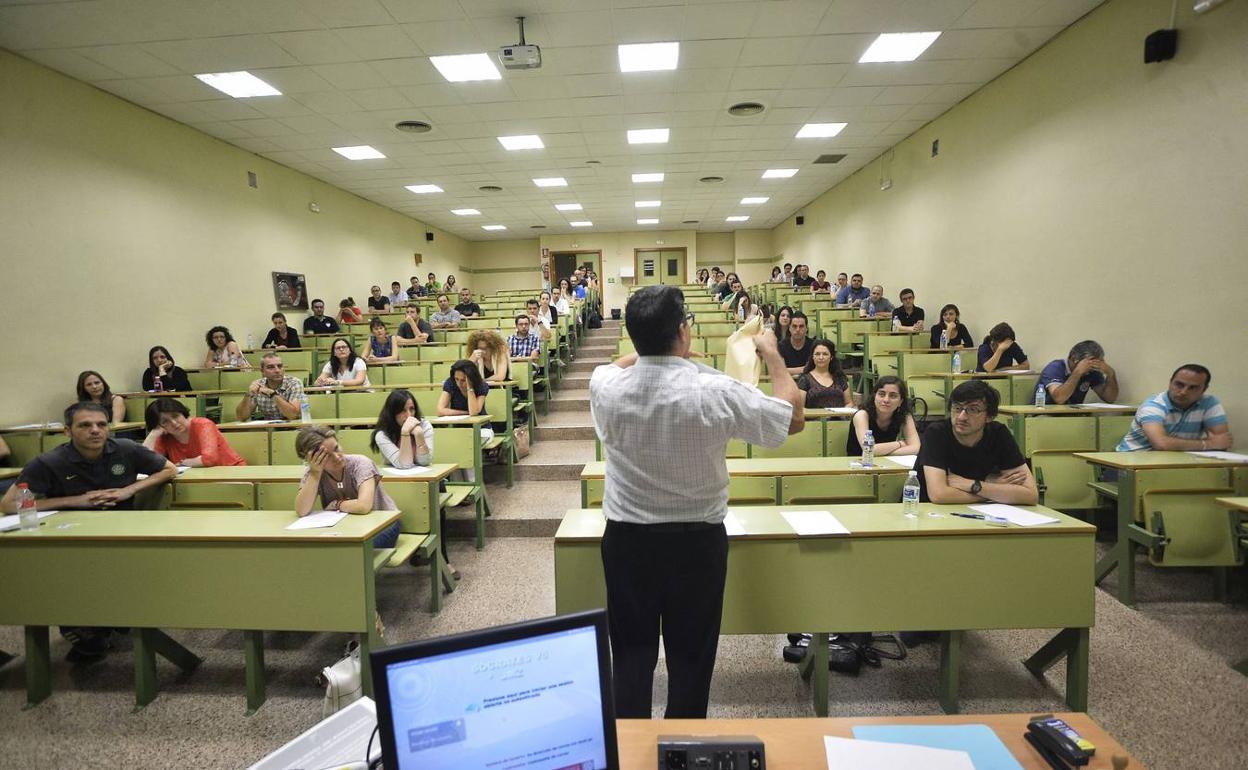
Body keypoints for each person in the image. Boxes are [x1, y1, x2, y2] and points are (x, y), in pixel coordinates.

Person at [589, 285, 802, 719]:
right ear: (683, 332)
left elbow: (618, 365)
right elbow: (792, 417)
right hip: (696, 545)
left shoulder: (605, 386)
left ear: (633, 335)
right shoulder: (716, 390)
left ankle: (630, 743)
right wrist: (772, 355)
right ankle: (682, 745)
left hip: (627, 543)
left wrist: (657, 353)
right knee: (691, 659)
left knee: (630, 656)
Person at [1, 402, 178, 663]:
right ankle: (86, 628)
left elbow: (169, 469)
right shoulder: (49, 461)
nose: (95, 430)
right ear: (67, 431)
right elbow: (8, 504)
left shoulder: (125, 449)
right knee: (68, 579)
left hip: (124, 533)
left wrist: (128, 490)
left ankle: (110, 621)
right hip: (71, 538)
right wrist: (76, 500)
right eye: (85, 425)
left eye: (101, 424)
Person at [371, 390, 454, 578]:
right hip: (396, 486)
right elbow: (404, 464)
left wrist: (419, 436)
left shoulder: (424, 426)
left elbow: (425, 461)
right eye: (403, 411)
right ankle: (418, 547)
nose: (409, 415)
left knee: (437, 492)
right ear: (392, 413)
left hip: (424, 480)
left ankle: (443, 558)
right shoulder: (382, 434)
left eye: (412, 409)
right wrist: (405, 433)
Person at [916, 380, 1037, 504]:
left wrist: (973, 485)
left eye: (973, 410)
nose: (961, 417)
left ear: (989, 416)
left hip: (981, 512)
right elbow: (939, 495)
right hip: (931, 511)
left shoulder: (999, 433)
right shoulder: (936, 433)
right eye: (957, 408)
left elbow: (1030, 495)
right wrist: (993, 491)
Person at [294, 425, 400, 552]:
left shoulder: (360, 464)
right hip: (347, 528)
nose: (337, 457)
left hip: (384, 524)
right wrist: (315, 474)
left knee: (350, 551)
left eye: (336, 448)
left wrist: (336, 504)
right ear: (312, 459)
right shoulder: (313, 472)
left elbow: (363, 506)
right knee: (318, 550)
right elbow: (302, 510)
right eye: (327, 456)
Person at [1117, 364, 1232, 452]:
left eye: (1193, 388)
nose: (1183, 392)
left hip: (1175, 461)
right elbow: (1161, 444)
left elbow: (1222, 441)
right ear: (1170, 382)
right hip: (1132, 461)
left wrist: (1215, 443)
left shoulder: (1209, 403)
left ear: (1204, 389)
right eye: (1179, 384)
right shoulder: (1153, 405)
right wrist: (1208, 444)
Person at [143, 398, 245, 467]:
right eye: (165, 422)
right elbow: (145, 462)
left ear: (183, 413)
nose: (174, 423)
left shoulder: (203, 424)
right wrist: (154, 434)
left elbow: (209, 459)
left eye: (175, 416)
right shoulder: (164, 435)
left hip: (232, 472)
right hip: (197, 479)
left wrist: (183, 463)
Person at [847, 376, 920, 457]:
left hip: (886, 462)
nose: (886, 400)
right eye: (881, 394)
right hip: (858, 462)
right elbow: (869, 449)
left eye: (893, 396)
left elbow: (916, 448)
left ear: (901, 401)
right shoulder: (862, 415)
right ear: (874, 396)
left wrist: (883, 453)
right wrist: (899, 444)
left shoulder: (905, 416)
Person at [1040, 341, 1120, 405]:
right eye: (1089, 362)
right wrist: (1078, 372)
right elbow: (1059, 399)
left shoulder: (1092, 371)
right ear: (1074, 359)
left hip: (1073, 414)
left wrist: (1111, 374)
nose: (1093, 366)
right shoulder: (1055, 367)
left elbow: (1110, 399)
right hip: (1045, 414)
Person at [237, 352, 306, 421]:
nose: (277, 370)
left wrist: (272, 394)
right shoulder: (258, 385)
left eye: (280, 366)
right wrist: (248, 394)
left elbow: (294, 415)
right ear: (262, 371)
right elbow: (242, 417)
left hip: (292, 425)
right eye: (271, 367)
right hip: (268, 426)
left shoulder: (294, 383)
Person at [796, 340, 852, 408]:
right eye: (817, 354)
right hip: (813, 415)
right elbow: (800, 408)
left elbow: (849, 403)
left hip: (840, 415)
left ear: (831, 357)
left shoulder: (840, 377)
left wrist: (844, 412)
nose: (821, 357)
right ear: (812, 357)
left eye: (825, 354)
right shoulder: (805, 379)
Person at [779, 310, 815, 375]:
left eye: (801, 326)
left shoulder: (814, 345)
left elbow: (815, 369)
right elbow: (781, 371)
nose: (798, 329)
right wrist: (805, 369)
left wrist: (788, 370)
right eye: (794, 326)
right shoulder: (781, 346)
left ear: (806, 328)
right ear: (789, 328)